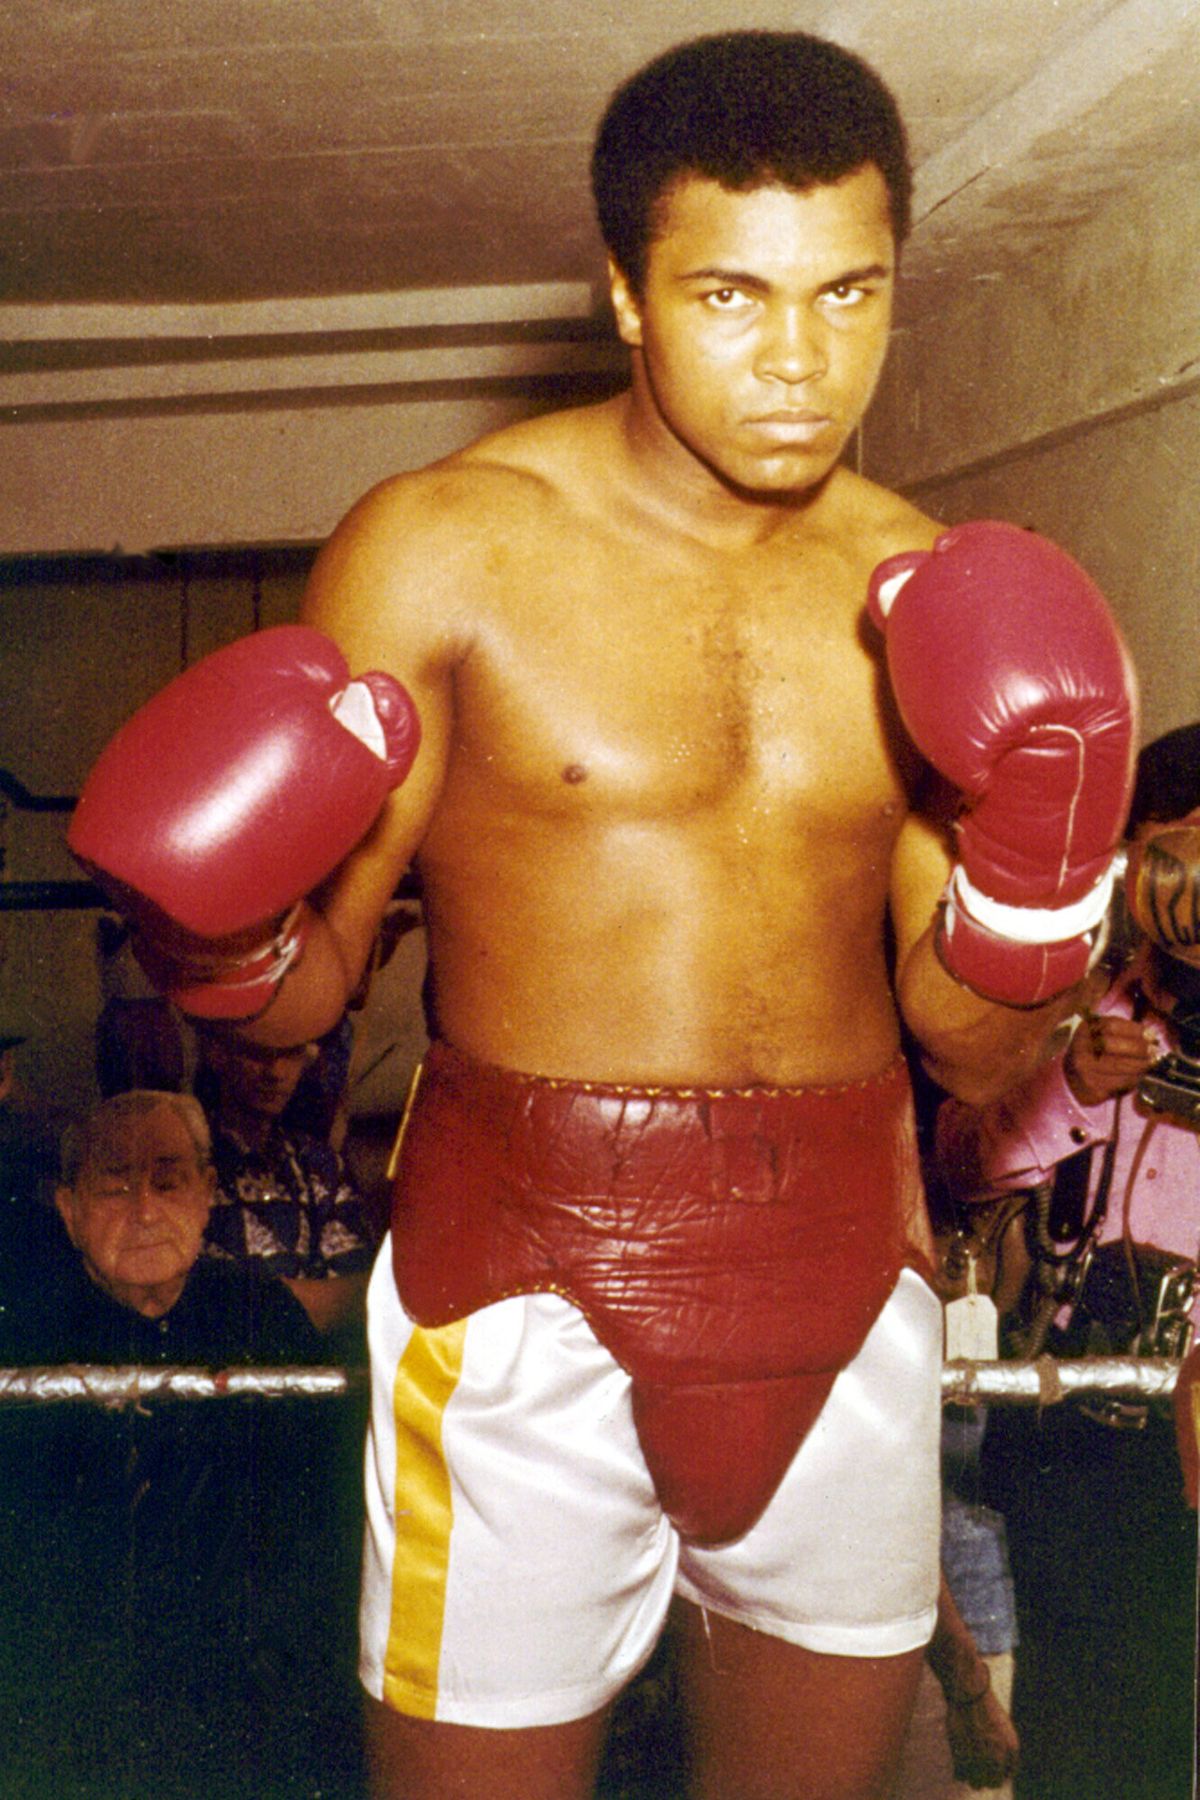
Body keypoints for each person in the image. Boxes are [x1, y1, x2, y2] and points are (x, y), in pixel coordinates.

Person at [67, 30, 1139, 1800]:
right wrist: (218, 935)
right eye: (731, 294)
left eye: (848, 293)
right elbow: (305, 1001)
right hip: (518, 1279)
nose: (798, 361)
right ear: (626, 294)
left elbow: (971, 1048)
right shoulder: (442, 549)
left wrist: (1039, 893)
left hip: (847, 1261)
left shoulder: (921, 588)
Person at [936, 722, 1200, 1800]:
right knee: (1086, 1744)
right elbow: (959, 1169)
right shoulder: (1074, 1009)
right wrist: (1069, 1091)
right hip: (1082, 1433)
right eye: (1171, 852)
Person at [0, 1090, 367, 1799]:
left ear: (205, 1197)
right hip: (78, 1705)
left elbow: (325, 1518)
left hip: (249, 1691)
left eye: (168, 1182)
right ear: (69, 1210)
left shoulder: (262, 1316)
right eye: (114, 1187)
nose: (144, 1210)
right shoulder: (24, 1339)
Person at [193, 1024, 381, 1342]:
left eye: (291, 1054)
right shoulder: (187, 1161)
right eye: (257, 1054)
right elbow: (198, 1306)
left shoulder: (319, 1163)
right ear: (217, 1054)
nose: (276, 1073)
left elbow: (360, 1294)